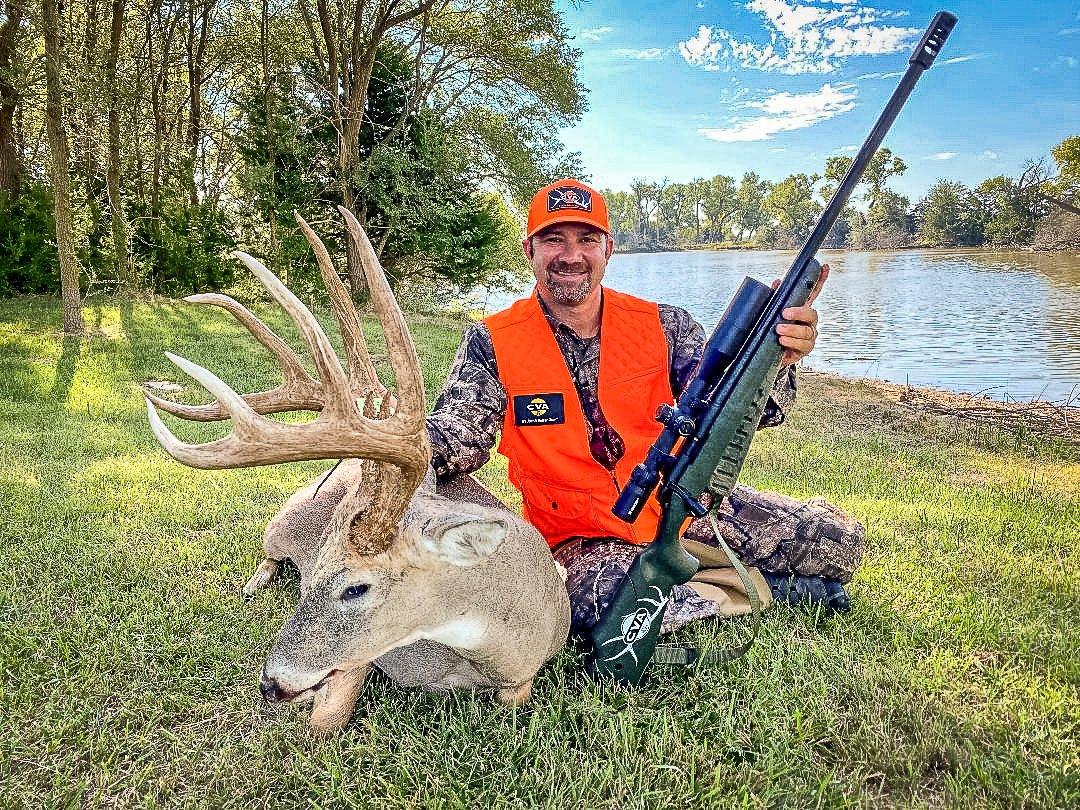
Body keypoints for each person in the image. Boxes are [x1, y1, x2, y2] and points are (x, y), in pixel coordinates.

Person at [427, 179, 864, 640]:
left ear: (608, 249)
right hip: (579, 538)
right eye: (554, 238)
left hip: (679, 501)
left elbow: (745, 408)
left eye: (587, 239)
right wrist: (394, 442)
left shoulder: (663, 323)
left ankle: (709, 581)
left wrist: (776, 358)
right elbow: (458, 437)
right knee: (621, 606)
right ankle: (773, 589)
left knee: (839, 542)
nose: (571, 255)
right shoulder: (493, 340)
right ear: (529, 250)